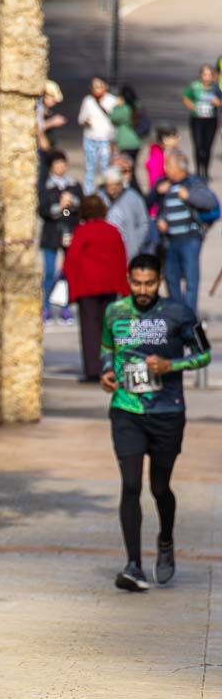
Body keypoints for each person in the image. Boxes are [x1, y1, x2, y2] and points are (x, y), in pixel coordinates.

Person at [100, 253, 211, 591]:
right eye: (137, 283)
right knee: (131, 485)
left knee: (159, 487)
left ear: (159, 280)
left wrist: (170, 366)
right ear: (129, 280)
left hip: (167, 413)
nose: (143, 289)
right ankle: (134, 565)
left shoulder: (178, 312)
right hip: (126, 411)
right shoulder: (115, 312)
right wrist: (106, 372)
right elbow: (107, 347)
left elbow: (204, 354)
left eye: (149, 283)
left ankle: (165, 540)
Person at [63, 195, 128, 381]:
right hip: (110, 285)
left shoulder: (82, 231)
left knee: (90, 329)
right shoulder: (113, 231)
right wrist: (124, 288)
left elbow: (72, 260)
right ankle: (109, 367)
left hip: (87, 286)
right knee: (108, 327)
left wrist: (70, 285)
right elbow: (121, 258)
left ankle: (93, 370)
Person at [148, 149, 218, 314]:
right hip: (169, 239)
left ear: (180, 168)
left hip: (190, 238)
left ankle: (189, 315)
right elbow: (148, 201)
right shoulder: (165, 184)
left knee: (191, 278)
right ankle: (177, 313)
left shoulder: (194, 183)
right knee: (171, 277)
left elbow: (210, 202)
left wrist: (189, 196)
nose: (166, 169)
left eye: (169, 166)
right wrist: (157, 192)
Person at [38, 148, 83, 325]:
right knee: (49, 272)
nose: (61, 167)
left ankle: (66, 307)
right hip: (51, 234)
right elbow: (44, 211)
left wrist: (71, 204)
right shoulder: (46, 187)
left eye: (63, 163)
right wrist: (61, 206)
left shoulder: (73, 185)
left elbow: (79, 209)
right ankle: (46, 306)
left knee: (68, 272)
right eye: (57, 164)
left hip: (69, 233)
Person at [99, 165, 150, 261]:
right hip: (104, 250)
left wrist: (136, 244)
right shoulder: (100, 197)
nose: (113, 190)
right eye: (109, 186)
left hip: (128, 250)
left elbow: (143, 223)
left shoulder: (133, 197)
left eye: (116, 185)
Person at [77, 76, 117, 193]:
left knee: (105, 168)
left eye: (99, 86)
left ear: (105, 87)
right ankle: (88, 194)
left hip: (106, 139)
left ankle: (104, 194)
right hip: (90, 138)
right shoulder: (88, 101)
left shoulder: (112, 101)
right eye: (94, 87)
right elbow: (80, 118)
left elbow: (116, 120)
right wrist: (86, 121)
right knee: (90, 169)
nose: (97, 89)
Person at [181, 64, 222, 178]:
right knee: (198, 146)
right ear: (201, 75)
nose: (207, 77)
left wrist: (217, 102)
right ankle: (198, 170)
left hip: (211, 120)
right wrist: (191, 106)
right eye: (205, 74)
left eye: (209, 75)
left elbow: (220, 102)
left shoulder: (215, 88)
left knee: (207, 146)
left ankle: (206, 171)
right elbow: (185, 98)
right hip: (197, 120)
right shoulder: (194, 86)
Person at [109, 84, 146, 185]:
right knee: (132, 170)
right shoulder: (137, 106)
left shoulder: (124, 109)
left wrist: (116, 106)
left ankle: (135, 192)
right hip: (136, 142)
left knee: (127, 171)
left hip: (126, 143)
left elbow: (113, 118)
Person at [36, 79, 68, 186]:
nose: (55, 102)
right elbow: (35, 126)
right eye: (53, 98)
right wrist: (51, 123)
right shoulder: (37, 108)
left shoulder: (45, 109)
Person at [145, 125, 180, 194]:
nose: (178, 139)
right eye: (175, 137)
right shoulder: (157, 158)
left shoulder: (171, 153)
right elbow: (155, 184)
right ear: (165, 140)